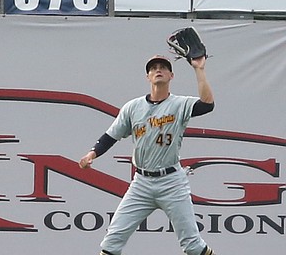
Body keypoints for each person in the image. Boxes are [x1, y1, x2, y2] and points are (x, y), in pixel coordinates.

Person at [79, 54, 216, 255]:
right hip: (141, 183)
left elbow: (207, 104)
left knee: (193, 245)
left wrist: (199, 69)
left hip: (172, 182)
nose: (158, 70)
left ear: (171, 75)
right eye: (153, 68)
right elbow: (111, 135)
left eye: (163, 67)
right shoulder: (133, 107)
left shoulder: (179, 104)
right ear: (148, 77)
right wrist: (92, 153)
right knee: (111, 242)